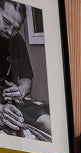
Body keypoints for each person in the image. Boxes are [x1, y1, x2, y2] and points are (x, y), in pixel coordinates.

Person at [0, 0, 51, 140]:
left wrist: (20, 90)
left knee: (47, 123)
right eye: (6, 21)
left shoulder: (16, 39)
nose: (10, 32)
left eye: (16, 28)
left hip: (9, 99)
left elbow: (26, 78)